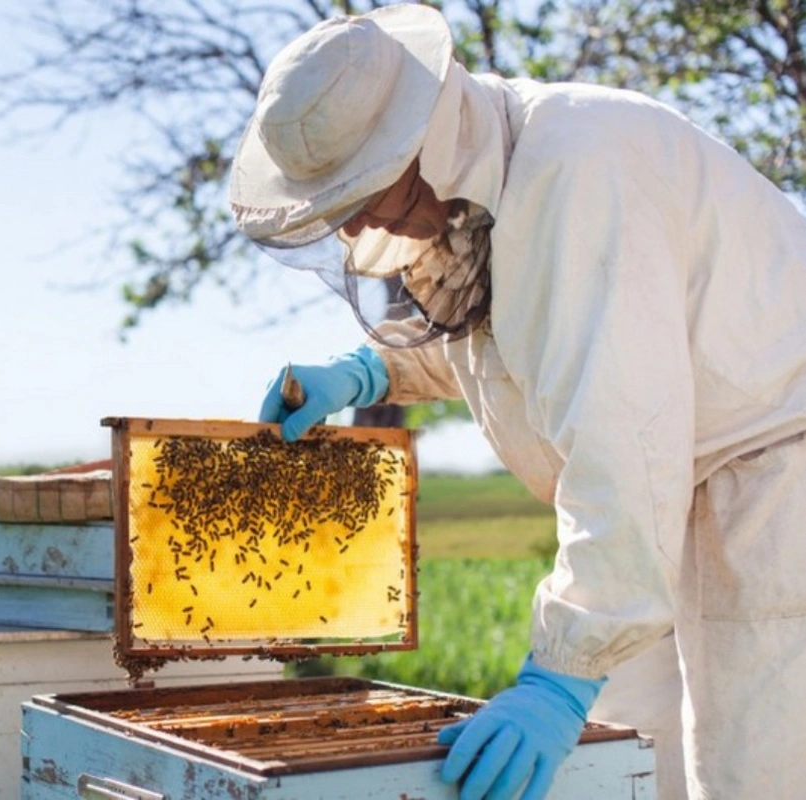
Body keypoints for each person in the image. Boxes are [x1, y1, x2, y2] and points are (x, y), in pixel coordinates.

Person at [229, 4, 806, 799]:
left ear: (418, 141)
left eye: (361, 190)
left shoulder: (576, 171)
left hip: (771, 488)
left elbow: (623, 435)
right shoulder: (489, 185)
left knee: (755, 775)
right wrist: (367, 370)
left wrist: (556, 681)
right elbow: (509, 336)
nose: (356, 219)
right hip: (662, 505)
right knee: (628, 764)